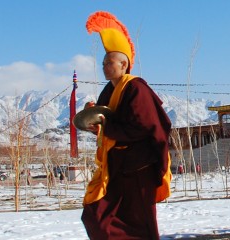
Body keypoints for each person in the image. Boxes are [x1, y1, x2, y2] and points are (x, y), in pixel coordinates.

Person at [78, 12, 174, 240]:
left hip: (138, 167)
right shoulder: (108, 90)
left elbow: (142, 126)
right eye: (103, 63)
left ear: (124, 64)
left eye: (109, 62)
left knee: (139, 223)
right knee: (95, 217)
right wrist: (95, 126)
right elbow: (106, 122)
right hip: (116, 168)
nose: (104, 67)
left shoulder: (136, 88)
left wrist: (107, 128)